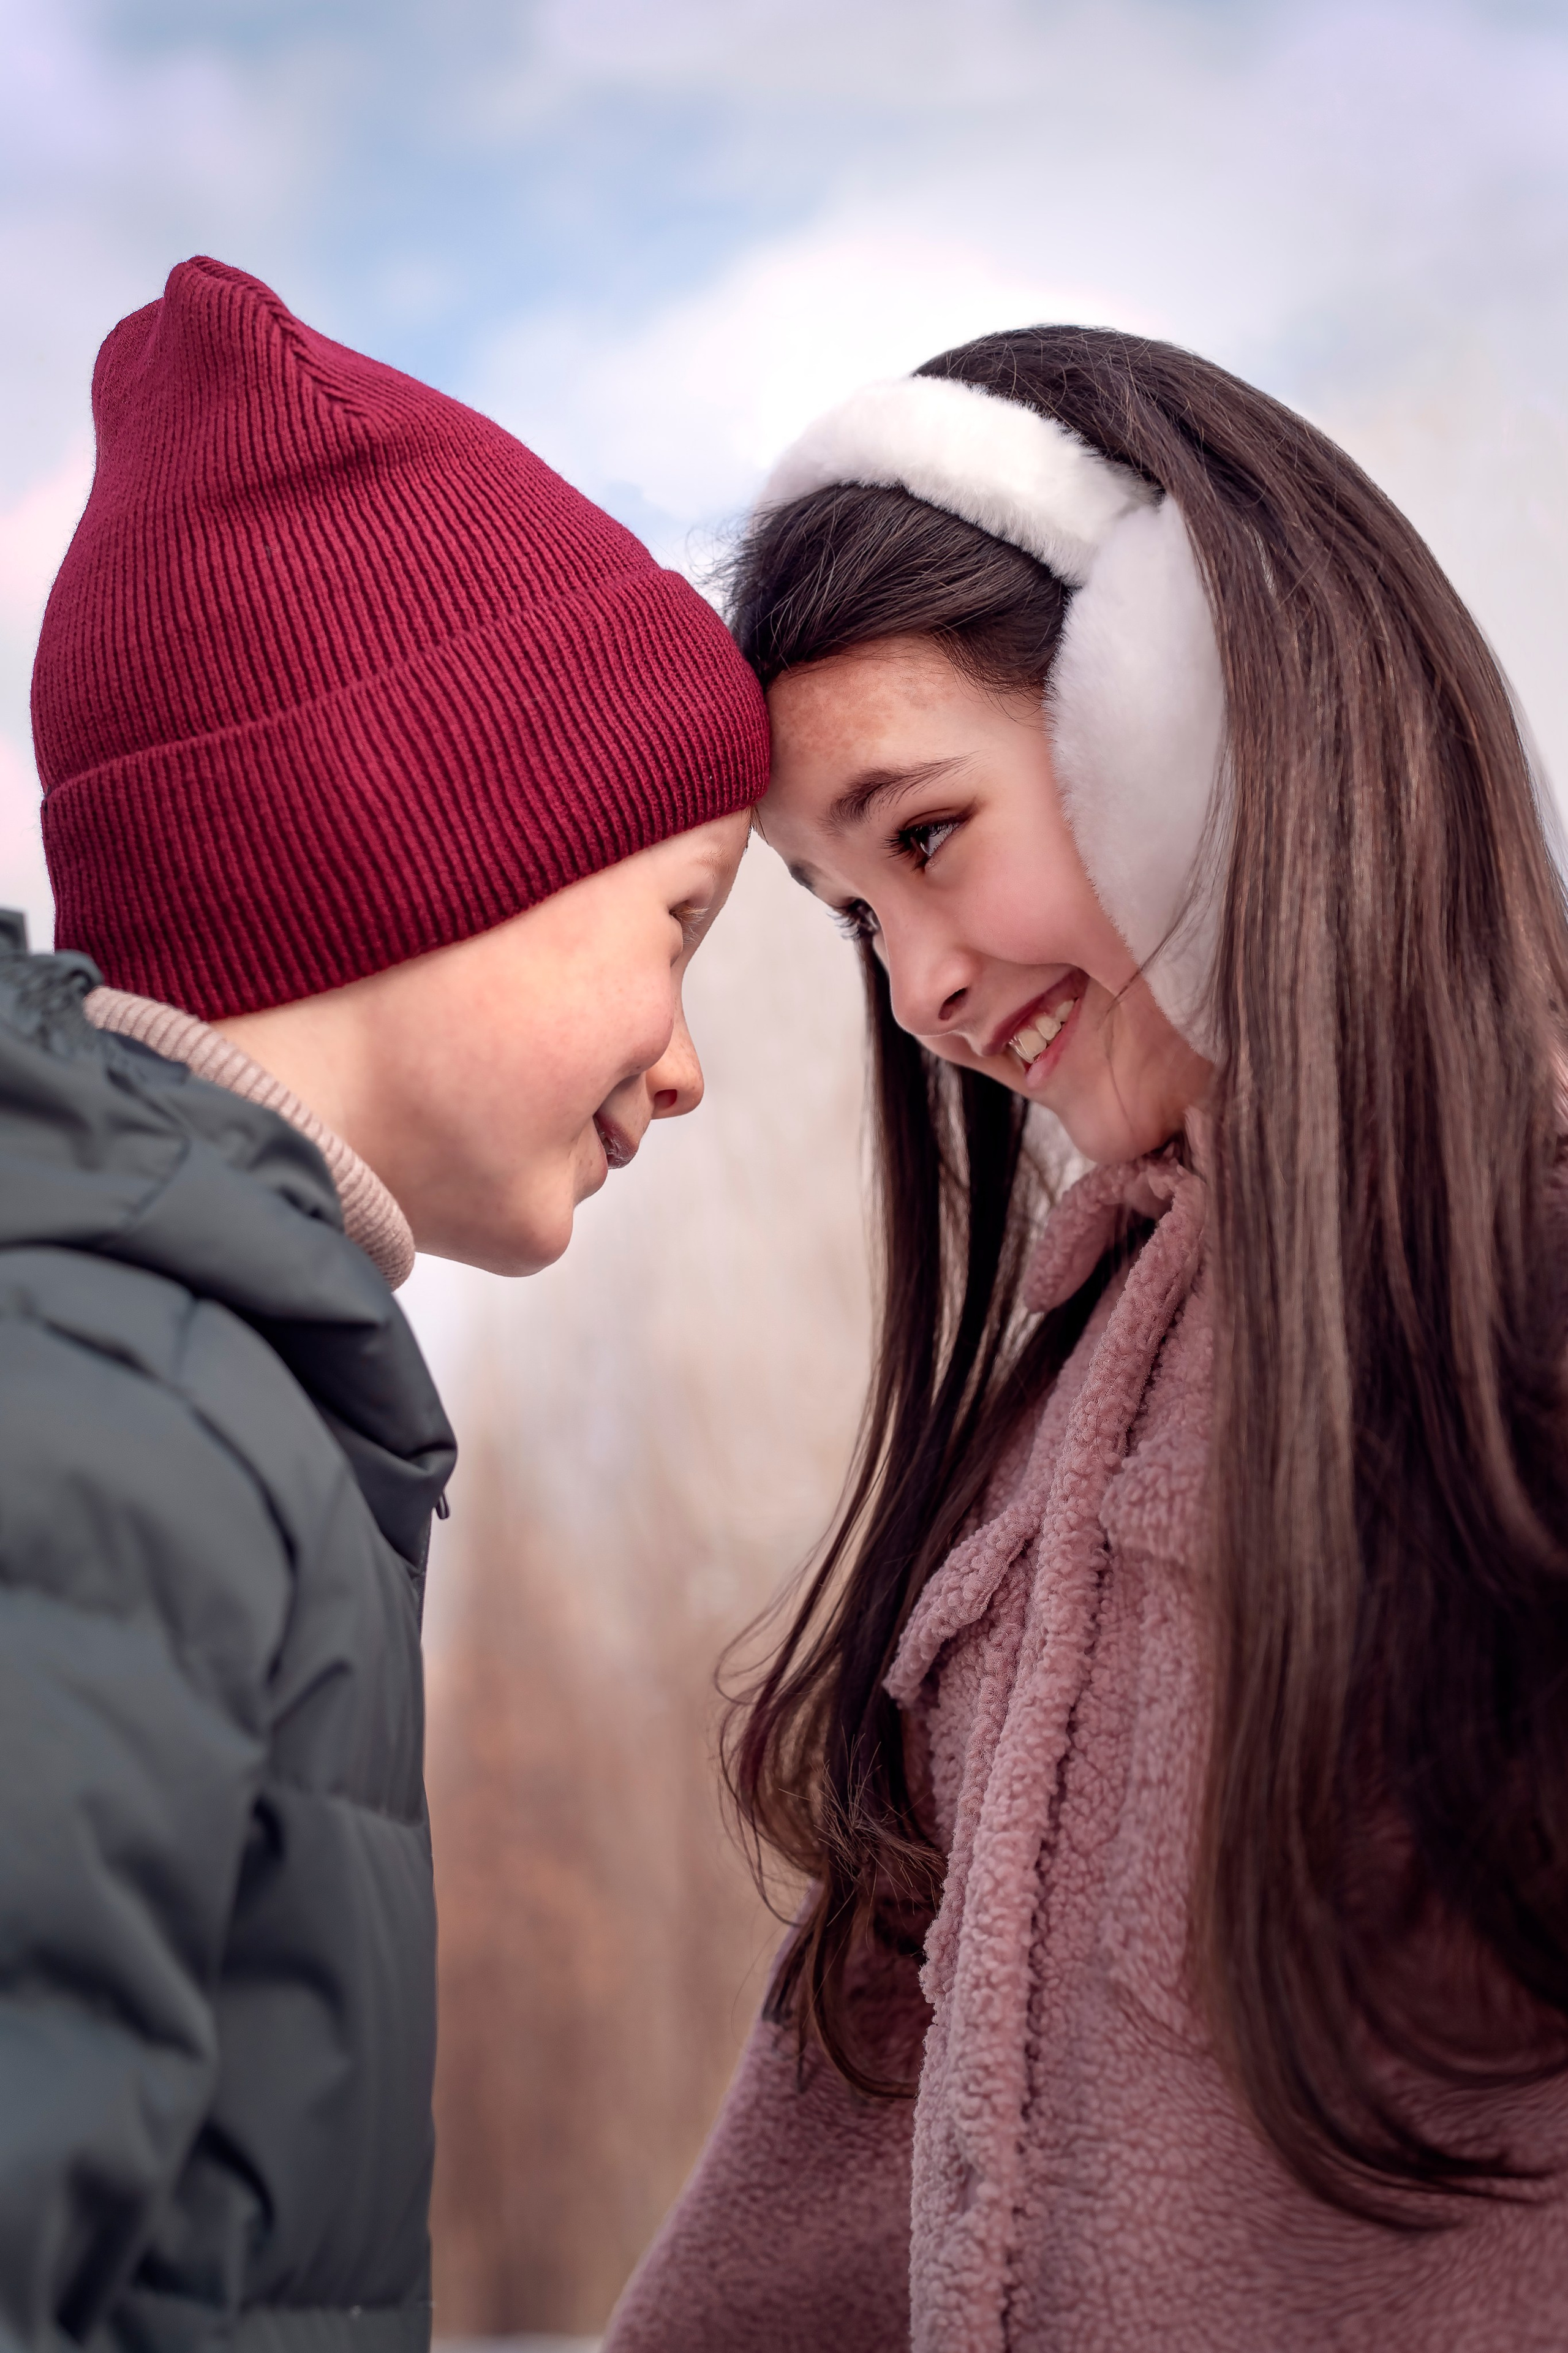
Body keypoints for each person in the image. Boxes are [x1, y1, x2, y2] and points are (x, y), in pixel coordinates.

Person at [602, 331, 1568, 2351]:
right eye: (850, 915)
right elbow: (829, 2183)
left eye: (926, 837)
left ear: (1190, 712)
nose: (922, 987)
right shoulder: (1039, 1436)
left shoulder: (1530, 1293)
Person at [0, 255, 766, 2353]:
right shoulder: (107, 1413)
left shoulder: (196, 1372)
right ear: (430, 847)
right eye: (679, 922)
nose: (690, 1062)